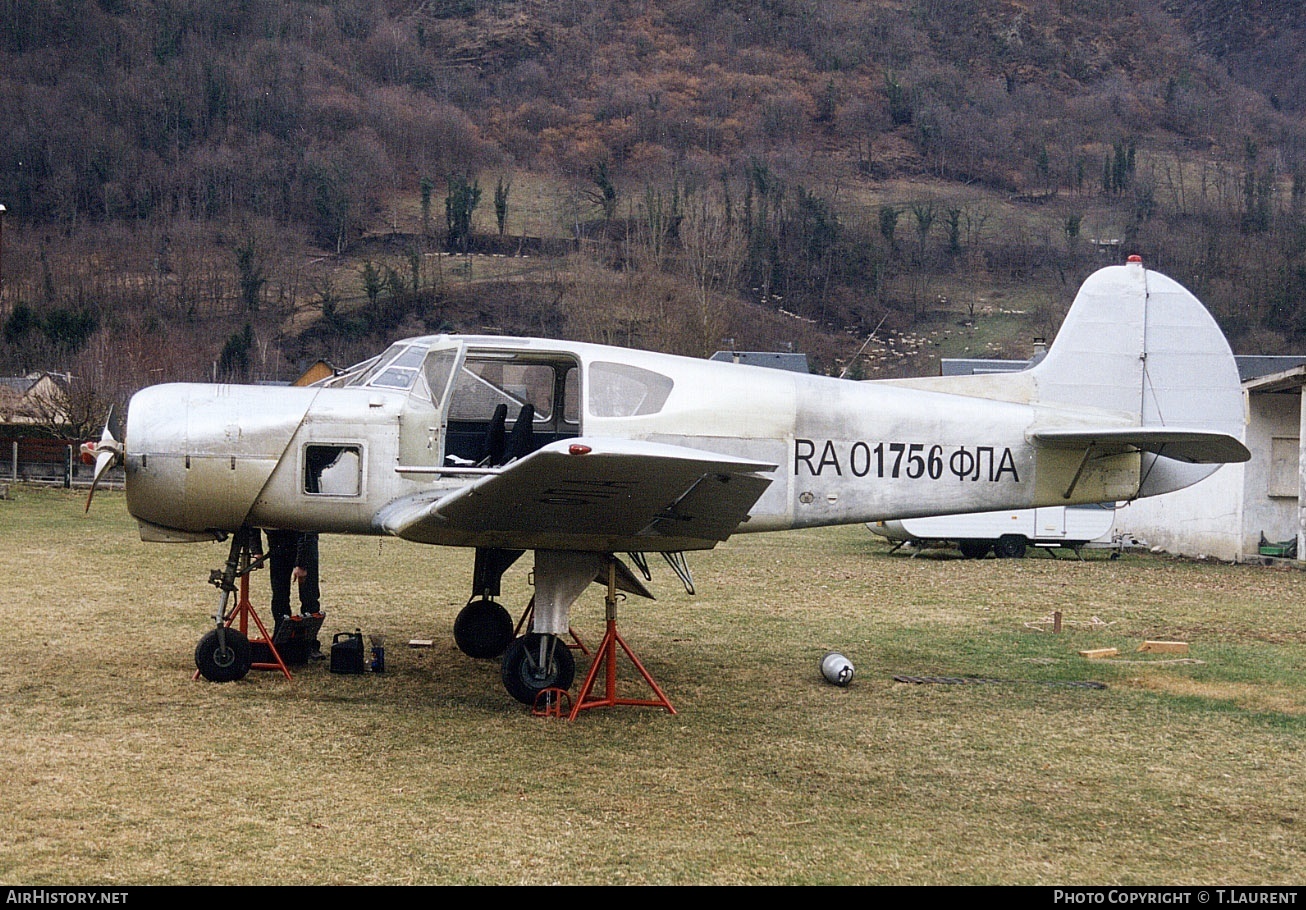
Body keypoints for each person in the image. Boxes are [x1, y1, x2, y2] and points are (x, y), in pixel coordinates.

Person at [266, 529, 324, 658]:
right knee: (279, 596)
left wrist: (301, 564)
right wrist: (256, 550)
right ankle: (281, 642)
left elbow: (307, 531)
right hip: (279, 547)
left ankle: (310, 644)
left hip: (304, 544)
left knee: (309, 596)